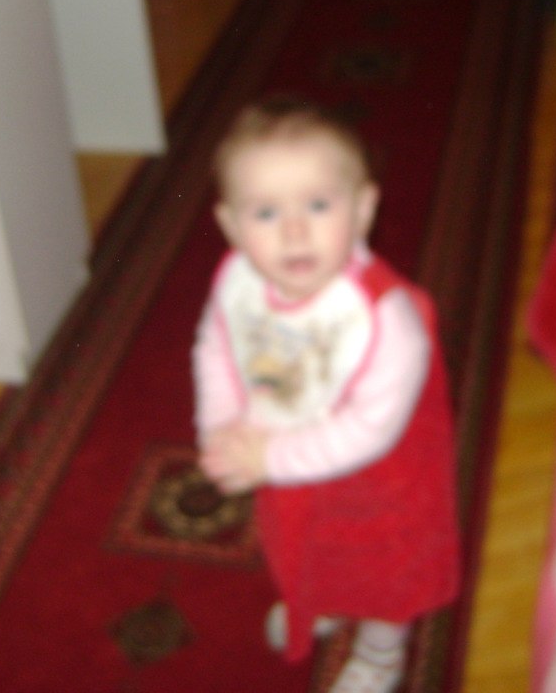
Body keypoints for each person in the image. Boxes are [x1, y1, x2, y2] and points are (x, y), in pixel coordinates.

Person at [192, 97, 461, 693]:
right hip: (287, 453)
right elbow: (216, 346)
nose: (294, 231)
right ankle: (328, 599)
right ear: (231, 226)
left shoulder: (387, 320)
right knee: (313, 547)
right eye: (266, 212)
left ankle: (381, 652)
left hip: (379, 477)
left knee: (384, 567)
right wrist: (222, 425)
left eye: (318, 205)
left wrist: (271, 459)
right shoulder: (238, 282)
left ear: (363, 210)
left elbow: (370, 429)